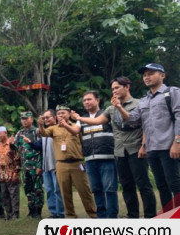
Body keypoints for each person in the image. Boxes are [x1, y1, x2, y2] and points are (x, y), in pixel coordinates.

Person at [72, 76, 157, 218]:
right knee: (126, 185)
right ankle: (132, 215)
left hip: (136, 149)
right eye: (112, 89)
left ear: (127, 87)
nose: (114, 91)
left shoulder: (139, 103)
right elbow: (98, 120)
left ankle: (150, 216)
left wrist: (144, 146)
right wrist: (79, 119)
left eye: (117, 87)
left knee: (143, 184)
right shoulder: (111, 109)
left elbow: (144, 126)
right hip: (119, 151)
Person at [117, 63, 180, 213]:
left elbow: (179, 116)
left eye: (151, 73)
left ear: (162, 75)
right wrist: (119, 107)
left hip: (169, 146)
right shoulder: (144, 100)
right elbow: (133, 120)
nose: (147, 77)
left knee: (174, 183)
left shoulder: (172, 92)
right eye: (145, 75)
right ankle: (168, 219)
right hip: (152, 149)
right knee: (161, 185)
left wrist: (177, 141)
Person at [38, 105, 97, 218]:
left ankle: (93, 214)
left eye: (63, 113)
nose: (61, 115)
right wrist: (41, 124)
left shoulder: (76, 127)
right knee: (65, 193)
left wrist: (84, 159)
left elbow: (83, 143)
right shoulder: (53, 128)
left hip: (77, 163)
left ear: (69, 114)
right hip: (61, 164)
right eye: (59, 113)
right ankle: (70, 216)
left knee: (84, 191)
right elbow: (43, 133)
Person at [69, 91, 119, 218]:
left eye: (89, 99)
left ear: (97, 100)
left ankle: (112, 217)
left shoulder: (106, 114)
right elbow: (75, 131)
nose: (86, 102)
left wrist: (78, 118)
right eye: (84, 100)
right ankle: (101, 217)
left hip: (107, 157)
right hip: (90, 159)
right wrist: (65, 124)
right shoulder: (83, 119)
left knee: (109, 188)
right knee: (96, 189)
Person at [25, 110, 65, 218]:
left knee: (58, 190)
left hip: (56, 165)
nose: (46, 119)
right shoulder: (45, 132)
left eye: (48, 117)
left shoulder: (59, 130)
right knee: (49, 190)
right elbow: (39, 146)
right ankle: (53, 213)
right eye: (44, 118)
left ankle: (61, 213)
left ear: (54, 117)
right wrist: (30, 142)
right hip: (46, 166)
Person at [15, 111, 44, 219]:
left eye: (26, 118)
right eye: (22, 118)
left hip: (35, 166)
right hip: (25, 167)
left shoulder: (37, 132)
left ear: (31, 119)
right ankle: (31, 211)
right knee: (28, 190)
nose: (24, 120)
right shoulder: (20, 133)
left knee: (38, 189)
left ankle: (38, 211)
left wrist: (40, 165)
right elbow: (15, 149)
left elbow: (42, 150)